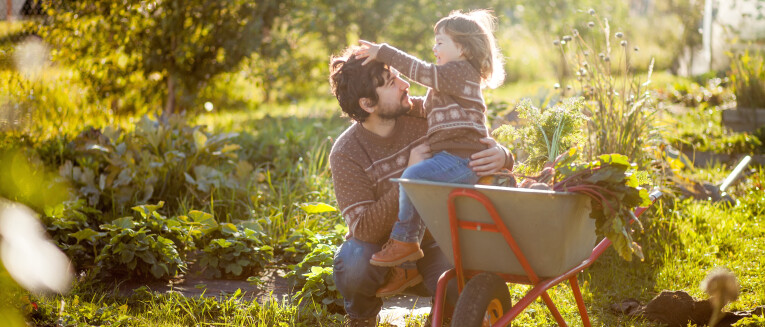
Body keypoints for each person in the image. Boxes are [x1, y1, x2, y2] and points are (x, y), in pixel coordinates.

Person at [328, 44, 513, 325]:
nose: (405, 85)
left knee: (464, 285)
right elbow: (363, 228)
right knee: (353, 264)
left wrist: (502, 156)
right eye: (392, 83)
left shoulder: (427, 112)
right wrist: (410, 174)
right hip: (382, 251)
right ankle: (363, 317)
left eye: (400, 76)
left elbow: (473, 141)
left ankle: (442, 313)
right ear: (367, 104)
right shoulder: (346, 153)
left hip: (436, 241)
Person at [354, 9, 505, 292]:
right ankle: (406, 265)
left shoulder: (460, 72)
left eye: (440, 42)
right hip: (452, 158)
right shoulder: (446, 86)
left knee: (414, 177)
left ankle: (404, 243)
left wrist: (384, 53)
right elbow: (427, 108)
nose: (434, 48)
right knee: (419, 196)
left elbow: (423, 72)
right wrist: (398, 101)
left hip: (464, 158)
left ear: (461, 48)